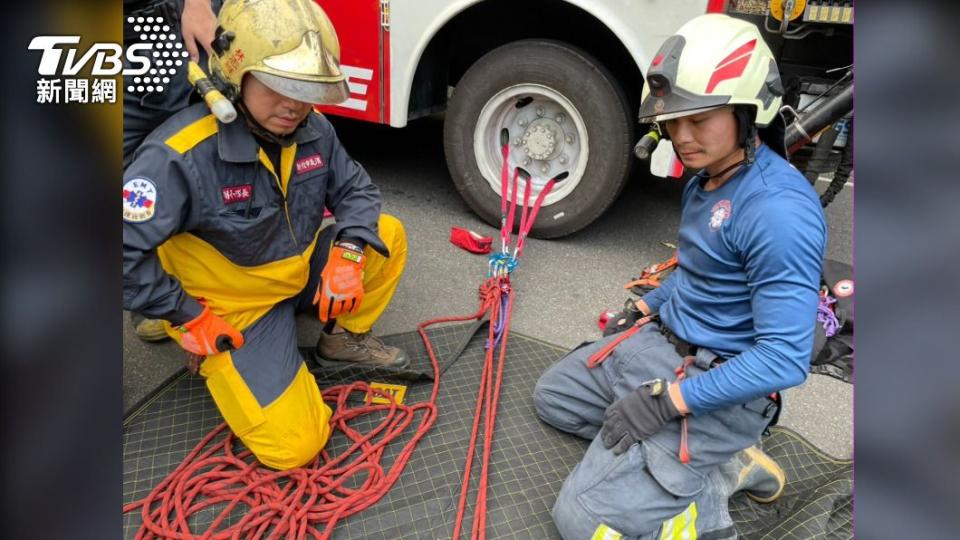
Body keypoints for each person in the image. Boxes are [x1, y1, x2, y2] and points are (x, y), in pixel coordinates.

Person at [533, 14, 827, 539]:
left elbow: (784, 358)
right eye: (673, 122)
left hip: (717, 384)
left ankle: (703, 477)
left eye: (700, 119)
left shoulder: (778, 211)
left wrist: (669, 403)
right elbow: (702, 271)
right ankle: (690, 466)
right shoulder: (708, 179)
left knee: (578, 521)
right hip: (660, 348)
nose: (681, 138)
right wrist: (649, 305)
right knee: (552, 397)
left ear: (746, 111)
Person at [123, 0, 408, 470]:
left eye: (305, 87)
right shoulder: (178, 155)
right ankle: (191, 338)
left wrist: (349, 253)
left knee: (385, 233)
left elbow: (357, 189)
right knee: (294, 447)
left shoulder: (312, 128)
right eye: (278, 85)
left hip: (289, 277)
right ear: (237, 74)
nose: (294, 103)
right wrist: (187, 314)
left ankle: (342, 339)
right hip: (232, 310)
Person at [124, 0, 222, 340]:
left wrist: (197, 4)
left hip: (173, 28)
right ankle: (154, 298)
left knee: (208, 160)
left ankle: (214, 290)